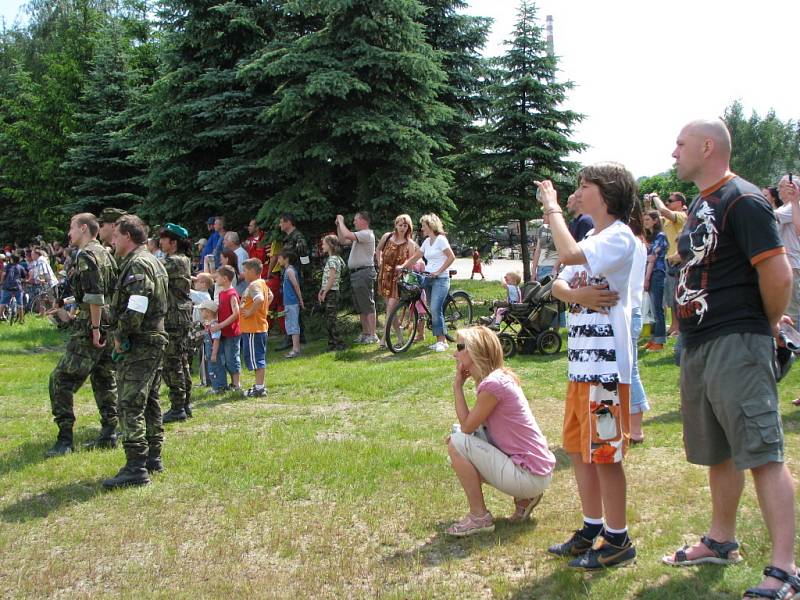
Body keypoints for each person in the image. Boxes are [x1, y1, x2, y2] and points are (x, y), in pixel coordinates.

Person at [662, 119, 798, 600]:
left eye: (680, 143)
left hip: (736, 340)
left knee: (762, 453)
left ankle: (785, 569)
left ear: (706, 146)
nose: (673, 151)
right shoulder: (702, 201)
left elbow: (778, 275)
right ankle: (721, 540)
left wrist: (761, 327)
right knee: (719, 450)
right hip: (700, 342)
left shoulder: (743, 198)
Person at [537, 162, 638, 570]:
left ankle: (618, 538)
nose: (578, 190)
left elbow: (567, 255)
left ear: (607, 192)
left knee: (605, 455)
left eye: (585, 185)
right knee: (580, 450)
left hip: (606, 370)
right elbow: (558, 282)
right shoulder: (595, 237)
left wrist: (552, 207)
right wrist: (578, 296)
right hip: (582, 366)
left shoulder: (618, 238)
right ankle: (592, 527)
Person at [445, 326, 555, 536]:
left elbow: (468, 428)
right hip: (535, 472)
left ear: (476, 350)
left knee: (456, 443)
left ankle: (479, 517)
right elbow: (470, 428)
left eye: (460, 347)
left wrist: (457, 387)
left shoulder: (493, 385)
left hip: (529, 475)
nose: (455, 354)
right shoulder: (500, 378)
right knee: (457, 438)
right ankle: (525, 499)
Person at [103, 214, 169, 489]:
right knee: (150, 400)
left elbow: (136, 306)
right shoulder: (149, 259)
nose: (111, 241)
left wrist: (121, 335)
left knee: (129, 401)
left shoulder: (138, 264)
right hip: (151, 339)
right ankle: (153, 457)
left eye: (116, 236)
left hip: (142, 341)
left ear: (128, 236)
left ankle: (135, 467)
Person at [45, 213, 118, 456]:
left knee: (60, 380)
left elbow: (95, 295)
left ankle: (65, 439)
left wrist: (94, 328)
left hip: (93, 326)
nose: (69, 233)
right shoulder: (106, 252)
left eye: (71, 228)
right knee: (104, 379)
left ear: (84, 228)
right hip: (108, 322)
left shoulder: (86, 254)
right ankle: (109, 432)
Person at [399, 214, 456, 352]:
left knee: (436, 309)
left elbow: (451, 257)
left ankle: (442, 342)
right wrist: (403, 266)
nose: (422, 228)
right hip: (427, 277)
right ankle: (423, 330)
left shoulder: (441, 240)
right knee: (418, 297)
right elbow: (416, 257)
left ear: (430, 226)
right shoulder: (426, 241)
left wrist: (438, 271)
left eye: (423, 225)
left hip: (440, 279)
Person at [158, 223, 194, 423]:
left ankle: (178, 406)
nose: (160, 242)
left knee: (172, 363)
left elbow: (153, 270)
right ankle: (184, 404)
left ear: (174, 242)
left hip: (174, 319)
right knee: (180, 362)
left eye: (164, 239)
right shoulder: (180, 260)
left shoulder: (176, 261)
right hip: (178, 317)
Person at [649, 192, 688, 337]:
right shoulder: (666, 220)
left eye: (670, 201)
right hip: (668, 260)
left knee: (677, 294)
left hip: (678, 260)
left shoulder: (682, 216)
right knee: (671, 295)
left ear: (679, 203)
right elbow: (651, 220)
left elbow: (664, 211)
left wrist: (655, 197)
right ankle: (674, 326)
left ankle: (678, 327)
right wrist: (648, 204)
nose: (668, 203)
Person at [336, 211, 378, 344]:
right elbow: (343, 240)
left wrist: (342, 221)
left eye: (355, 220)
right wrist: (338, 226)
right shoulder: (359, 236)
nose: (353, 222)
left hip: (364, 272)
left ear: (363, 221)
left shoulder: (366, 234)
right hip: (357, 273)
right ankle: (365, 334)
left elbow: (347, 234)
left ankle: (373, 335)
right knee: (361, 306)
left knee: (368, 305)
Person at [627, 201, 650, 443]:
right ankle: (632, 427)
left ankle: (635, 429)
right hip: (631, 311)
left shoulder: (630, 242)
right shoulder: (638, 241)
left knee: (630, 371)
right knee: (629, 370)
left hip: (628, 312)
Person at [376, 214, 416, 347]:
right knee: (391, 311)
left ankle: (384, 339)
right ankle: (400, 338)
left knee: (390, 308)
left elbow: (411, 262)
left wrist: (404, 269)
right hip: (384, 275)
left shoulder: (410, 243)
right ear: (396, 225)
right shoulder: (387, 236)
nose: (403, 228)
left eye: (405, 225)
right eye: (400, 225)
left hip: (397, 279)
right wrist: (379, 261)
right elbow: (378, 250)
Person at [275, 214, 309, 350]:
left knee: (293, 308)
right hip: (288, 274)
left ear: (288, 222)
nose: (280, 225)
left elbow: (304, 256)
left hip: (294, 274)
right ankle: (297, 336)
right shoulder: (288, 238)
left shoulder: (298, 237)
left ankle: (293, 338)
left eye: (281, 222)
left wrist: (305, 273)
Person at [240, 258, 272, 397]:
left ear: (253, 271)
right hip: (256, 327)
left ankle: (259, 388)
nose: (243, 273)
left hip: (254, 329)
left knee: (257, 359)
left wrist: (251, 311)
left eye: (245, 270)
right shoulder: (262, 283)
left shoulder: (254, 285)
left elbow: (260, 299)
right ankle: (259, 386)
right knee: (256, 358)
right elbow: (270, 296)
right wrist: (262, 310)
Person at [209, 265, 241, 392]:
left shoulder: (232, 294)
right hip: (223, 332)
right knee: (225, 359)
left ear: (225, 278)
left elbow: (236, 313)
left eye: (218, 277)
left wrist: (221, 325)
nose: (215, 279)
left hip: (232, 332)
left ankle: (236, 384)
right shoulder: (221, 293)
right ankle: (230, 384)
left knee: (232, 358)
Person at [643, 210, 668, 351]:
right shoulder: (650, 237)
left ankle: (659, 341)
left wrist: (646, 278)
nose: (645, 222)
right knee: (652, 309)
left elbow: (652, 257)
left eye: (647, 219)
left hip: (656, 274)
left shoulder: (661, 236)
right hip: (649, 273)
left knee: (657, 309)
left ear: (655, 221)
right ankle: (653, 338)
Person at [318, 235, 346, 351]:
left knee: (331, 320)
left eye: (324, 244)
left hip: (332, 293)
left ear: (330, 245)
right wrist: (322, 290)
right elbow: (327, 278)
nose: (322, 246)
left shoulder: (333, 259)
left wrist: (325, 292)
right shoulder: (335, 258)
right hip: (329, 291)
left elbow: (332, 278)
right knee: (329, 319)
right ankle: (332, 343)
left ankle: (338, 343)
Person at [277, 250, 303, 358]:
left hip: (292, 303)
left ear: (286, 259)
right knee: (290, 325)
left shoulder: (289, 271)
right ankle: (295, 348)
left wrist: (300, 300)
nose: (278, 260)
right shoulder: (286, 270)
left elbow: (296, 286)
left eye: (279, 258)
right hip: (288, 303)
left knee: (293, 325)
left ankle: (296, 350)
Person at [199, 299, 224, 393]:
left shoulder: (214, 325)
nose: (200, 312)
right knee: (211, 370)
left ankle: (219, 387)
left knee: (217, 369)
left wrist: (214, 354)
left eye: (202, 310)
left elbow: (216, 340)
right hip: (210, 354)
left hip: (214, 354)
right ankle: (215, 387)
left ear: (208, 312)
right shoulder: (209, 324)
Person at [530, 212, 559, 281]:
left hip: (551, 267)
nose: (543, 216)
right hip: (540, 268)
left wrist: (555, 269)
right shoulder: (542, 228)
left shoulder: (560, 229)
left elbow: (563, 252)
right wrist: (533, 271)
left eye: (545, 214)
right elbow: (538, 250)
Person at [0, 254, 28, 322]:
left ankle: (0, 315)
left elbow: (3, 274)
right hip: (17, 287)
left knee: (3, 302)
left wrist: (1, 282)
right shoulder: (20, 267)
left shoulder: (7, 266)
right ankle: (21, 320)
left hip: (7, 287)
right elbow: (24, 276)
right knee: (20, 304)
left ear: (12, 259)